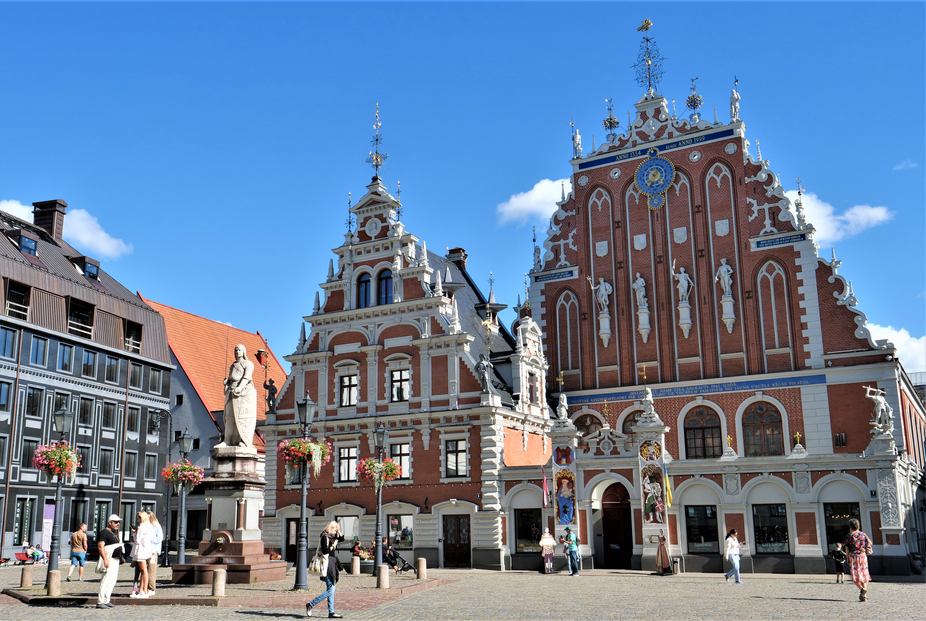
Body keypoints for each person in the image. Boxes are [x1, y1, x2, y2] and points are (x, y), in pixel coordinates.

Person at [306, 521, 345, 618]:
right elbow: (325, 551)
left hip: (332, 563)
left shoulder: (332, 537)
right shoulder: (325, 537)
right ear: (331, 528)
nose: (336, 532)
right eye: (335, 529)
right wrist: (333, 546)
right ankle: (311, 604)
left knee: (331, 588)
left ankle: (331, 612)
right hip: (327, 564)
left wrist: (339, 532)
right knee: (331, 590)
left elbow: (342, 539)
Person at [97, 514, 124, 609]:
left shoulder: (114, 533)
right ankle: (100, 601)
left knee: (112, 580)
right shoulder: (104, 532)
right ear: (110, 522)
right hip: (109, 559)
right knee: (106, 579)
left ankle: (106, 600)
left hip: (115, 559)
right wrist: (105, 559)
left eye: (119, 522)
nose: (118, 524)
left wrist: (121, 557)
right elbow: (100, 546)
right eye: (115, 522)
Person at [844, 518, 873, 601]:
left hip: (853, 557)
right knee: (864, 575)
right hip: (863, 556)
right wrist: (865, 549)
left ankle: (862, 589)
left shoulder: (849, 536)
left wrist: (847, 558)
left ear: (850, 526)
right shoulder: (863, 534)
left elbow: (847, 549)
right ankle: (864, 595)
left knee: (855, 576)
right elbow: (870, 543)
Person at [130, 511, 154, 598]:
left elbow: (139, 540)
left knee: (143, 571)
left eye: (139, 517)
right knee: (143, 571)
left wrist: (135, 534)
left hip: (141, 550)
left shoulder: (143, 527)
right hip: (144, 550)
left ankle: (144, 591)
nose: (138, 519)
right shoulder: (149, 526)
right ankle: (141, 590)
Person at [147, 512, 164, 595]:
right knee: (147, 569)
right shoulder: (148, 526)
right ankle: (146, 587)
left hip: (153, 551)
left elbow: (160, 537)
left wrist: (150, 540)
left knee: (152, 569)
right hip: (147, 550)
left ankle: (151, 588)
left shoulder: (156, 525)